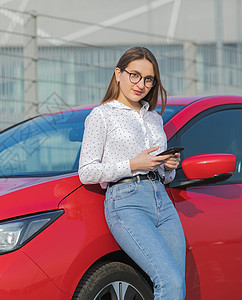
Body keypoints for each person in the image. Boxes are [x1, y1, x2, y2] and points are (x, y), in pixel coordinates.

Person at [78, 46, 186, 299]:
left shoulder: (154, 119)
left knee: (177, 283)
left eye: (148, 79)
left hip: (162, 200)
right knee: (169, 281)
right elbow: (87, 171)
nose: (141, 84)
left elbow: (162, 174)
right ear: (118, 74)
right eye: (134, 75)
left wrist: (167, 165)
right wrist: (132, 165)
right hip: (128, 202)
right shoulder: (101, 115)